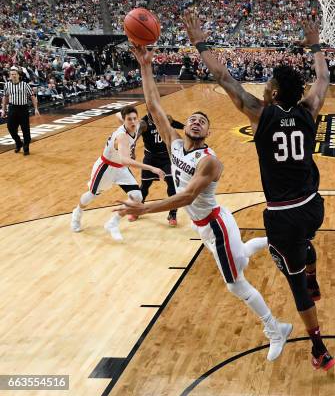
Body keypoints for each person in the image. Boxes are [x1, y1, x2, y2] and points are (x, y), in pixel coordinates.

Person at [117, 44, 292, 362]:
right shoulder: (174, 144)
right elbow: (154, 105)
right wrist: (145, 65)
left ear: (208, 131)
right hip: (207, 224)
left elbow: (185, 197)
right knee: (239, 260)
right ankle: (278, 240)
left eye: (202, 121)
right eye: (193, 119)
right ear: (185, 126)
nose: (196, 122)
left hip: (215, 224)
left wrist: (143, 208)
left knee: (235, 284)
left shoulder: (209, 161)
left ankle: (275, 328)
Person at [182, 10, 335, 370]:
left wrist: (199, 42)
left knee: (293, 279)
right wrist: (315, 45)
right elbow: (324, 76)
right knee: (304, 242)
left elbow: (223, 76)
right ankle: (309, 267)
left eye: (269, 82)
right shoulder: (310, 109)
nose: (264, 85)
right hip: (314, 206)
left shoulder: (259, 112)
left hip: (282, 214)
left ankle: (319, 349)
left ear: (274, 90)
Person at [70, 106, 165, 241]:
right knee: (91, 195)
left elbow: (118, 116)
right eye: (129, 119)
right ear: (125, 121)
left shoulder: (135, 125)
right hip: (106, 168)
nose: (132, 122)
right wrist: (152, 168)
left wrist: (123, 118)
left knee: (137, 196)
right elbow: (125, 160)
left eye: (134, 118)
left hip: (120, 169)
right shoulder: (121, 137)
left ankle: (113, 223)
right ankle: (77, 213)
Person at [116, 111, 184, 226]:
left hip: (166, 157)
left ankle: (173, 213)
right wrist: (132, 149)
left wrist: (185, 127)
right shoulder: (143, 123)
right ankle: (138, 209)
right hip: (151, 158)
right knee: (145, 186)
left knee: (171, 184)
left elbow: (174, 123)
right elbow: (135, 136)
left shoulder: (166, 117)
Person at [0, 67, 39, 155]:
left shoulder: (25, 85)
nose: (13, 76)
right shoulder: (7, 85)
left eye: (15, 74)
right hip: (12, 108)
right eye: (12, 74)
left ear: (18, 75)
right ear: (9, 76)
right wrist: (3, 110)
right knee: (10, 127)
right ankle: (18, 142)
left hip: (23, 109)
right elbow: (5, 97)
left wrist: (36, 108)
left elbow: (32, 96)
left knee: (25, 129)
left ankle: (26, 146)